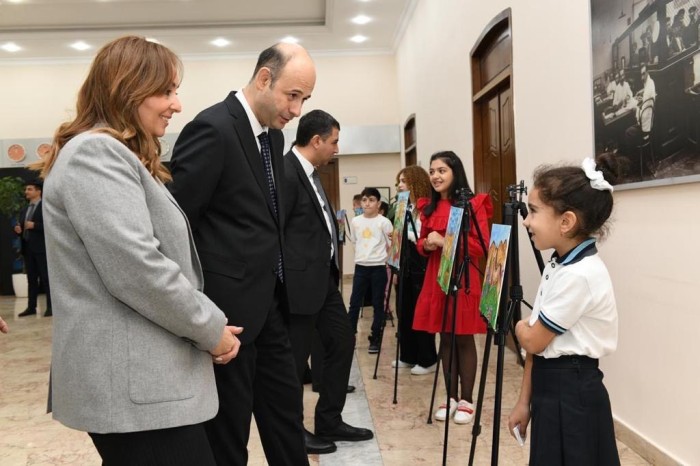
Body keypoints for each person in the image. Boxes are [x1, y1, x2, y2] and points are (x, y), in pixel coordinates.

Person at [34, 35, 241, 465]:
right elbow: (138, 268)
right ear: (127, 90)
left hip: (141, 389)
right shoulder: (96, 153)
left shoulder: (110, 154)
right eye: (165, 91)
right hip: (136, 393)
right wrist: (210, 329)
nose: (177, 104)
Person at [169, 42, 315, 466]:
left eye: (305, 99)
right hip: (225, 315)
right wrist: (198, 313)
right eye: (293, 95)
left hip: (269, 303)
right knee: (228, 435)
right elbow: (178, 223)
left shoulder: (272, 138)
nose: (297, 110)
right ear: (264, 79)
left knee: (285, 418)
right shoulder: (212, 128)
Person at [507, 154, 621, 465]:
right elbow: (537, 346)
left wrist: (519, 327)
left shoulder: (580, 275)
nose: (526, 220)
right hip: (550, 386)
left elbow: (533, 339)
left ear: (566, 221)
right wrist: (524, 402)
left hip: (572, 394)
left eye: (533, 211)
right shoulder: (559, 264)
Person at [283, 109, 374, 454]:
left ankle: (330, 419)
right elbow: (276, 233)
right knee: (294, 363)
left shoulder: (313, 173)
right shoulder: (286, 172)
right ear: (317, 140)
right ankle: (293, 432)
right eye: (334, 142)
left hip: (324, 282)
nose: (337, 148)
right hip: (297, 287)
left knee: (342, 341)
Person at [412, 151, 492, 425]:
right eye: (432, 171)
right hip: (437, 278)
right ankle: (451, 397)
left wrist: (445, 240)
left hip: (464, 278)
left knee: (463, 337)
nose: (435, 176)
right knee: (445, 337)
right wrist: (427, 244)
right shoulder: (428, 207)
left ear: (455, 172)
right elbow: (421, 245)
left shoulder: (474, 204)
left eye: (441, 170)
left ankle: (467, 400)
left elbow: (481, 247)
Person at [390, 165, 438, 375]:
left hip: (421, 263)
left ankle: (428, 359)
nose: (400, 185)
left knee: (421, 311)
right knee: (404, 309)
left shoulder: (427, 208)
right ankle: (408, 355)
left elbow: (424, 236)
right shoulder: (403, 207)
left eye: (404, 181)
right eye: (399, 181)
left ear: (415, 182)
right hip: (405, 263)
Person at [347, 187, 393, 353]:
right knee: (354, 303)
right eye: (365, 200)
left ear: (378, 203)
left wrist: (385, 260)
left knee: (377, 303)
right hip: (360, 267)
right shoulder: (356, 221)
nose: (367, 203)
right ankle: (349, 335)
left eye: (371, 200)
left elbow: (391, 244)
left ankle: (375, 337)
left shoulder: (384, 222)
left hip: (378, 268)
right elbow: (355, 240)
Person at [14, 180, 51, 317]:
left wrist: (35, 226)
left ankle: (51, 308)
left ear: (38, 191)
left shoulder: (45, 207)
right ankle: (31, 307)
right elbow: (22, 227)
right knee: (31, 279)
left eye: (29, 189)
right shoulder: (25, 209)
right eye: (26, 189)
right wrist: (18, 229)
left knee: (46, 279)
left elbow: (50, 226)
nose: (26, 192)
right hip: (28, 248)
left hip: (42, 249)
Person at [624, 63, 656, 176]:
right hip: (649, 125)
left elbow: (643, 116)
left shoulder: (648, 89)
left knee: (627, 132)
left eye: (643, 74)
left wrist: (636, 108)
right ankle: (637, 162)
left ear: (647, 73)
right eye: (641, 75)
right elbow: (647, 93)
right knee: (630, 130)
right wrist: (641, 93)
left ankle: (636, 165)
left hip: (644, 128)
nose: (642, 77)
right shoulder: (651, 83)